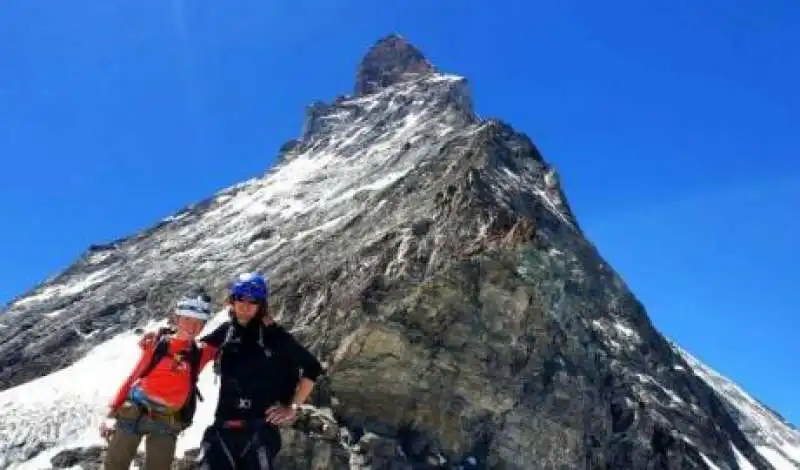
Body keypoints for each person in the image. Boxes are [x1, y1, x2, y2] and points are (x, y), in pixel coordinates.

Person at [196, 272, 324, 469]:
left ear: (260, 305)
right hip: (223, 427)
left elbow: (312, 367)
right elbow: (192, 353)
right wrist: (163, 336)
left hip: (260, 431)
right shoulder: (226, 331)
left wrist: (293, 407)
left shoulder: (273, 335)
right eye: (241, 298)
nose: (246, 305)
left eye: (253, 301)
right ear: (233, 299)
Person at [100, 288, 215, 470]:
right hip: (134, 413)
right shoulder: (158, 345)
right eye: (187, 320)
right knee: (113, 466)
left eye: (199, 322)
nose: (193, 327)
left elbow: (231, 335)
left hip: (167, 422)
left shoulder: (201, 352)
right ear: (177, 319)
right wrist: (111, 411)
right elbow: (134, 376)